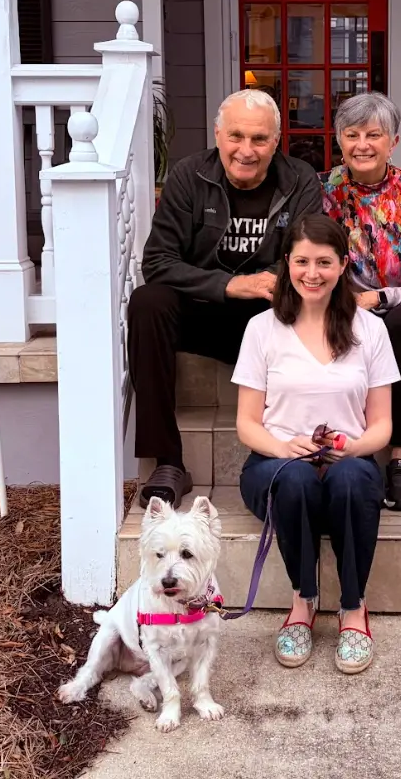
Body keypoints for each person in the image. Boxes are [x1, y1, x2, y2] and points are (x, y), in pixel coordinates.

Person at [129, 89, 324, 508]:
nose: (246, 150)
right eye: (236, 136)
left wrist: (270, 281)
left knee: (313, 307)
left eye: (259, 139)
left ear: (276, 141)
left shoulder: (300, 179)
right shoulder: (189, 176)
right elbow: (158, 261)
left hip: (269, 319)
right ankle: (168, 462)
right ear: (218, 135)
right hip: (201, 313)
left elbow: (307, 256)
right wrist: (228, 285)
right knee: (148, 302)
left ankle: (301, 452)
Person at [232, 215, 399, 674]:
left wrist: (356, 446)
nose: (312, 273)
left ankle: (352, 609)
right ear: (286, 264)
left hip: (349, 462)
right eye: (302, 261)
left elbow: (383, 424)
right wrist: (284, 448)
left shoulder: (370, 331)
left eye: (324, 262)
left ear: (343, 264)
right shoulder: (262, 330)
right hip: (277, 466)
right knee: (299, 480)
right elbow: (247, 424)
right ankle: (302, 604)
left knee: (349, 478)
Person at [321, 91, 401, 512]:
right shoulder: (328, 191)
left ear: (392, 142)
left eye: (373, 134)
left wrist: (378, 296)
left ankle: (400, 457)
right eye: (352, 134)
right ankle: (331, 453)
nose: (362, 144)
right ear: (339, 139)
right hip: (348, 307)